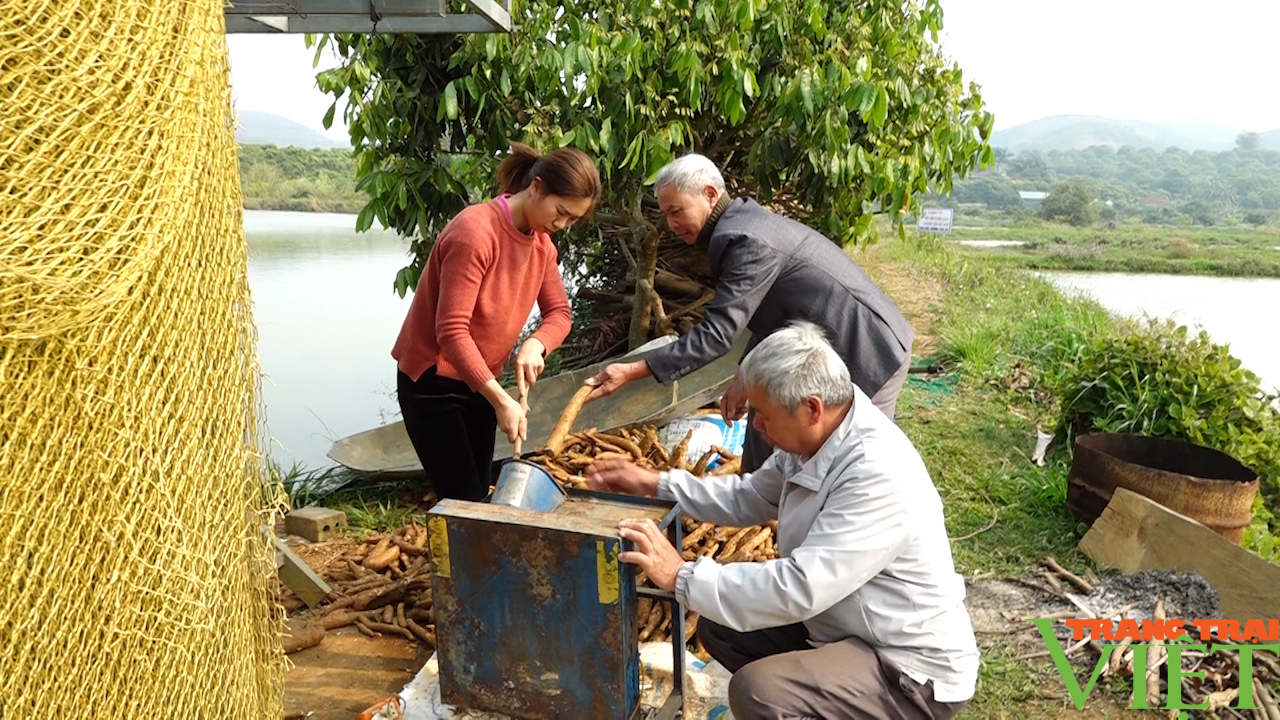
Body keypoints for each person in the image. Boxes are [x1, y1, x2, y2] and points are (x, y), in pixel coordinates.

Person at [586, 321, 979, 720]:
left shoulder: (877, 472)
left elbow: (802, 586)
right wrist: (655, 483)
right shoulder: (822, 434)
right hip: (846, 626)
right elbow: (751, 496)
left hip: (906, 665)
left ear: (811, 408)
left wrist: (681, 575)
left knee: (758, 693)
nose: (755, 426)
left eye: (765, 416)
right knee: (722, 628)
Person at [584, 154, 915, 474]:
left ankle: (791, 518)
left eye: (676, 212)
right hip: (820, 346)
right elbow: (767, 314)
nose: (671, 225)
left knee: (853, 467)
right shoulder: (742, 227)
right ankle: (758, 507)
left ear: (710, 194)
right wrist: (745, 375)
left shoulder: (744, 239)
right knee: (762, 422)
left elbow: (717, 335)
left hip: (866, 350)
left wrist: (633, 371)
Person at [391, 142, 602, 501]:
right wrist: (502, 401)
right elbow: (452, 331)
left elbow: (560, 314)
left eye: (573, 219)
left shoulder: (541, 245)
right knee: (464, 499)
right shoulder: (476, 231)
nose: (562, 225)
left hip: (480, 381)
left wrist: (536, 344)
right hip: (432, 381)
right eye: (562, 212)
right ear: (536, 188)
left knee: (477, 492)